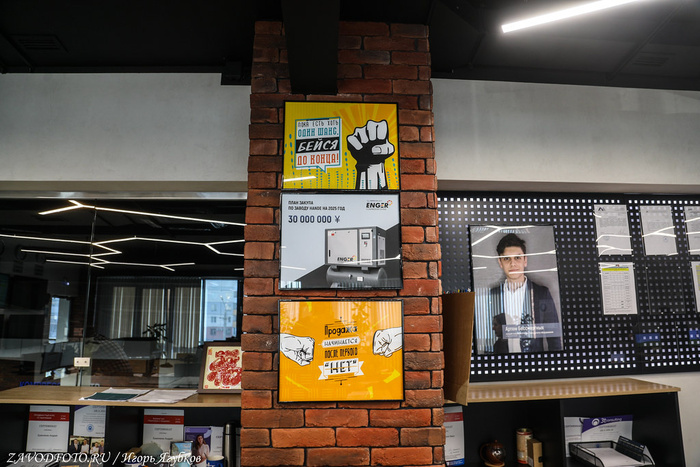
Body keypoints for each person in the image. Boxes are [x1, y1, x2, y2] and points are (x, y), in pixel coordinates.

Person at [488, 233, 562, 353]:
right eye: (507, 259)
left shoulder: (541, 293)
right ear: (500, 263)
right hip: (503, 362)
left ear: (525, 260)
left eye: (517, 258)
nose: (513, 263)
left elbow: (554, 341)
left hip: (533, 362)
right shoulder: (493, 295)